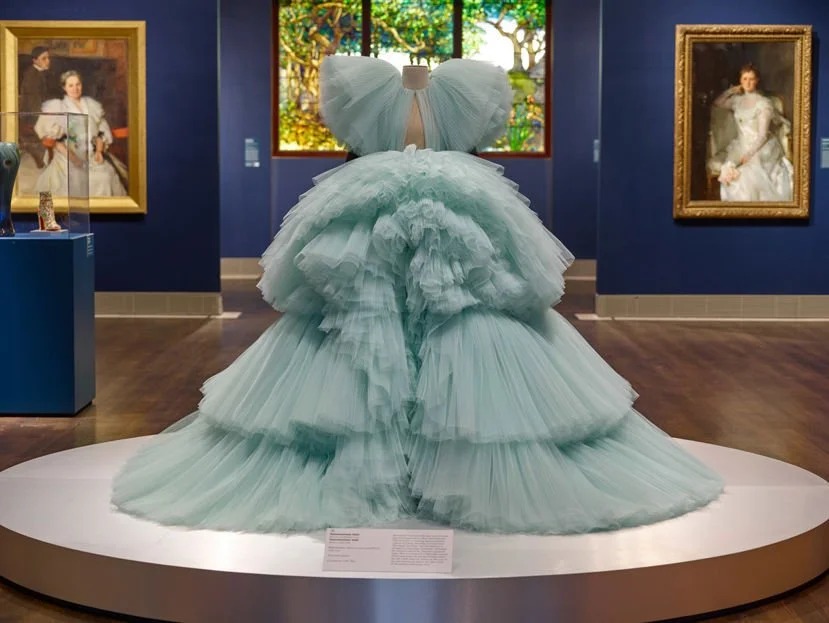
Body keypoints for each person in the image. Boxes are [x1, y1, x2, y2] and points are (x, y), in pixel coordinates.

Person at [111, 55, 723, 535]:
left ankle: (434, 464)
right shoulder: (404, 88)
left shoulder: (417, 89)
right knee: (386, 313)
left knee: (459, 308)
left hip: (417, 204)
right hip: (397, 207)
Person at [34, 69, 128, 197]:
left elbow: (101, 131)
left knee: (106, 176)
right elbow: (56, 141)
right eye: (71, 85)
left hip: (92, 154)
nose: (75, 88)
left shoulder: (92, 105)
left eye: (78, 84)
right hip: (68, 156)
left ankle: (103, 208)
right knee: (80, 181)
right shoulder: (58, 107)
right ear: (64, 88)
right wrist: (74, 159)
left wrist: (99, 151)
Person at [712, 63, 794, 202]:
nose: (748, 83)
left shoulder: (763, 103)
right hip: (741, 144)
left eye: (751, 79)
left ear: (757, 80)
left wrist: (748, 155)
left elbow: (762, 136)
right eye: (745, 79)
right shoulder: (737, 101)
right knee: (732, 169)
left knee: (748, 175)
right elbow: (717, 103)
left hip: (761, 146)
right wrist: (731, 91)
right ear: (740, 81)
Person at [19, 46, 56, 168]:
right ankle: (44, 156)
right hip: (30, 113)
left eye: (48, 58)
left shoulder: (43, 73)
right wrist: (45, 114)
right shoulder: (31, 76)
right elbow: (32, 101)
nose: (48, 61)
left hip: (40, 107)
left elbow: (46, 96)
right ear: (35, 60)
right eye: (44, 58)